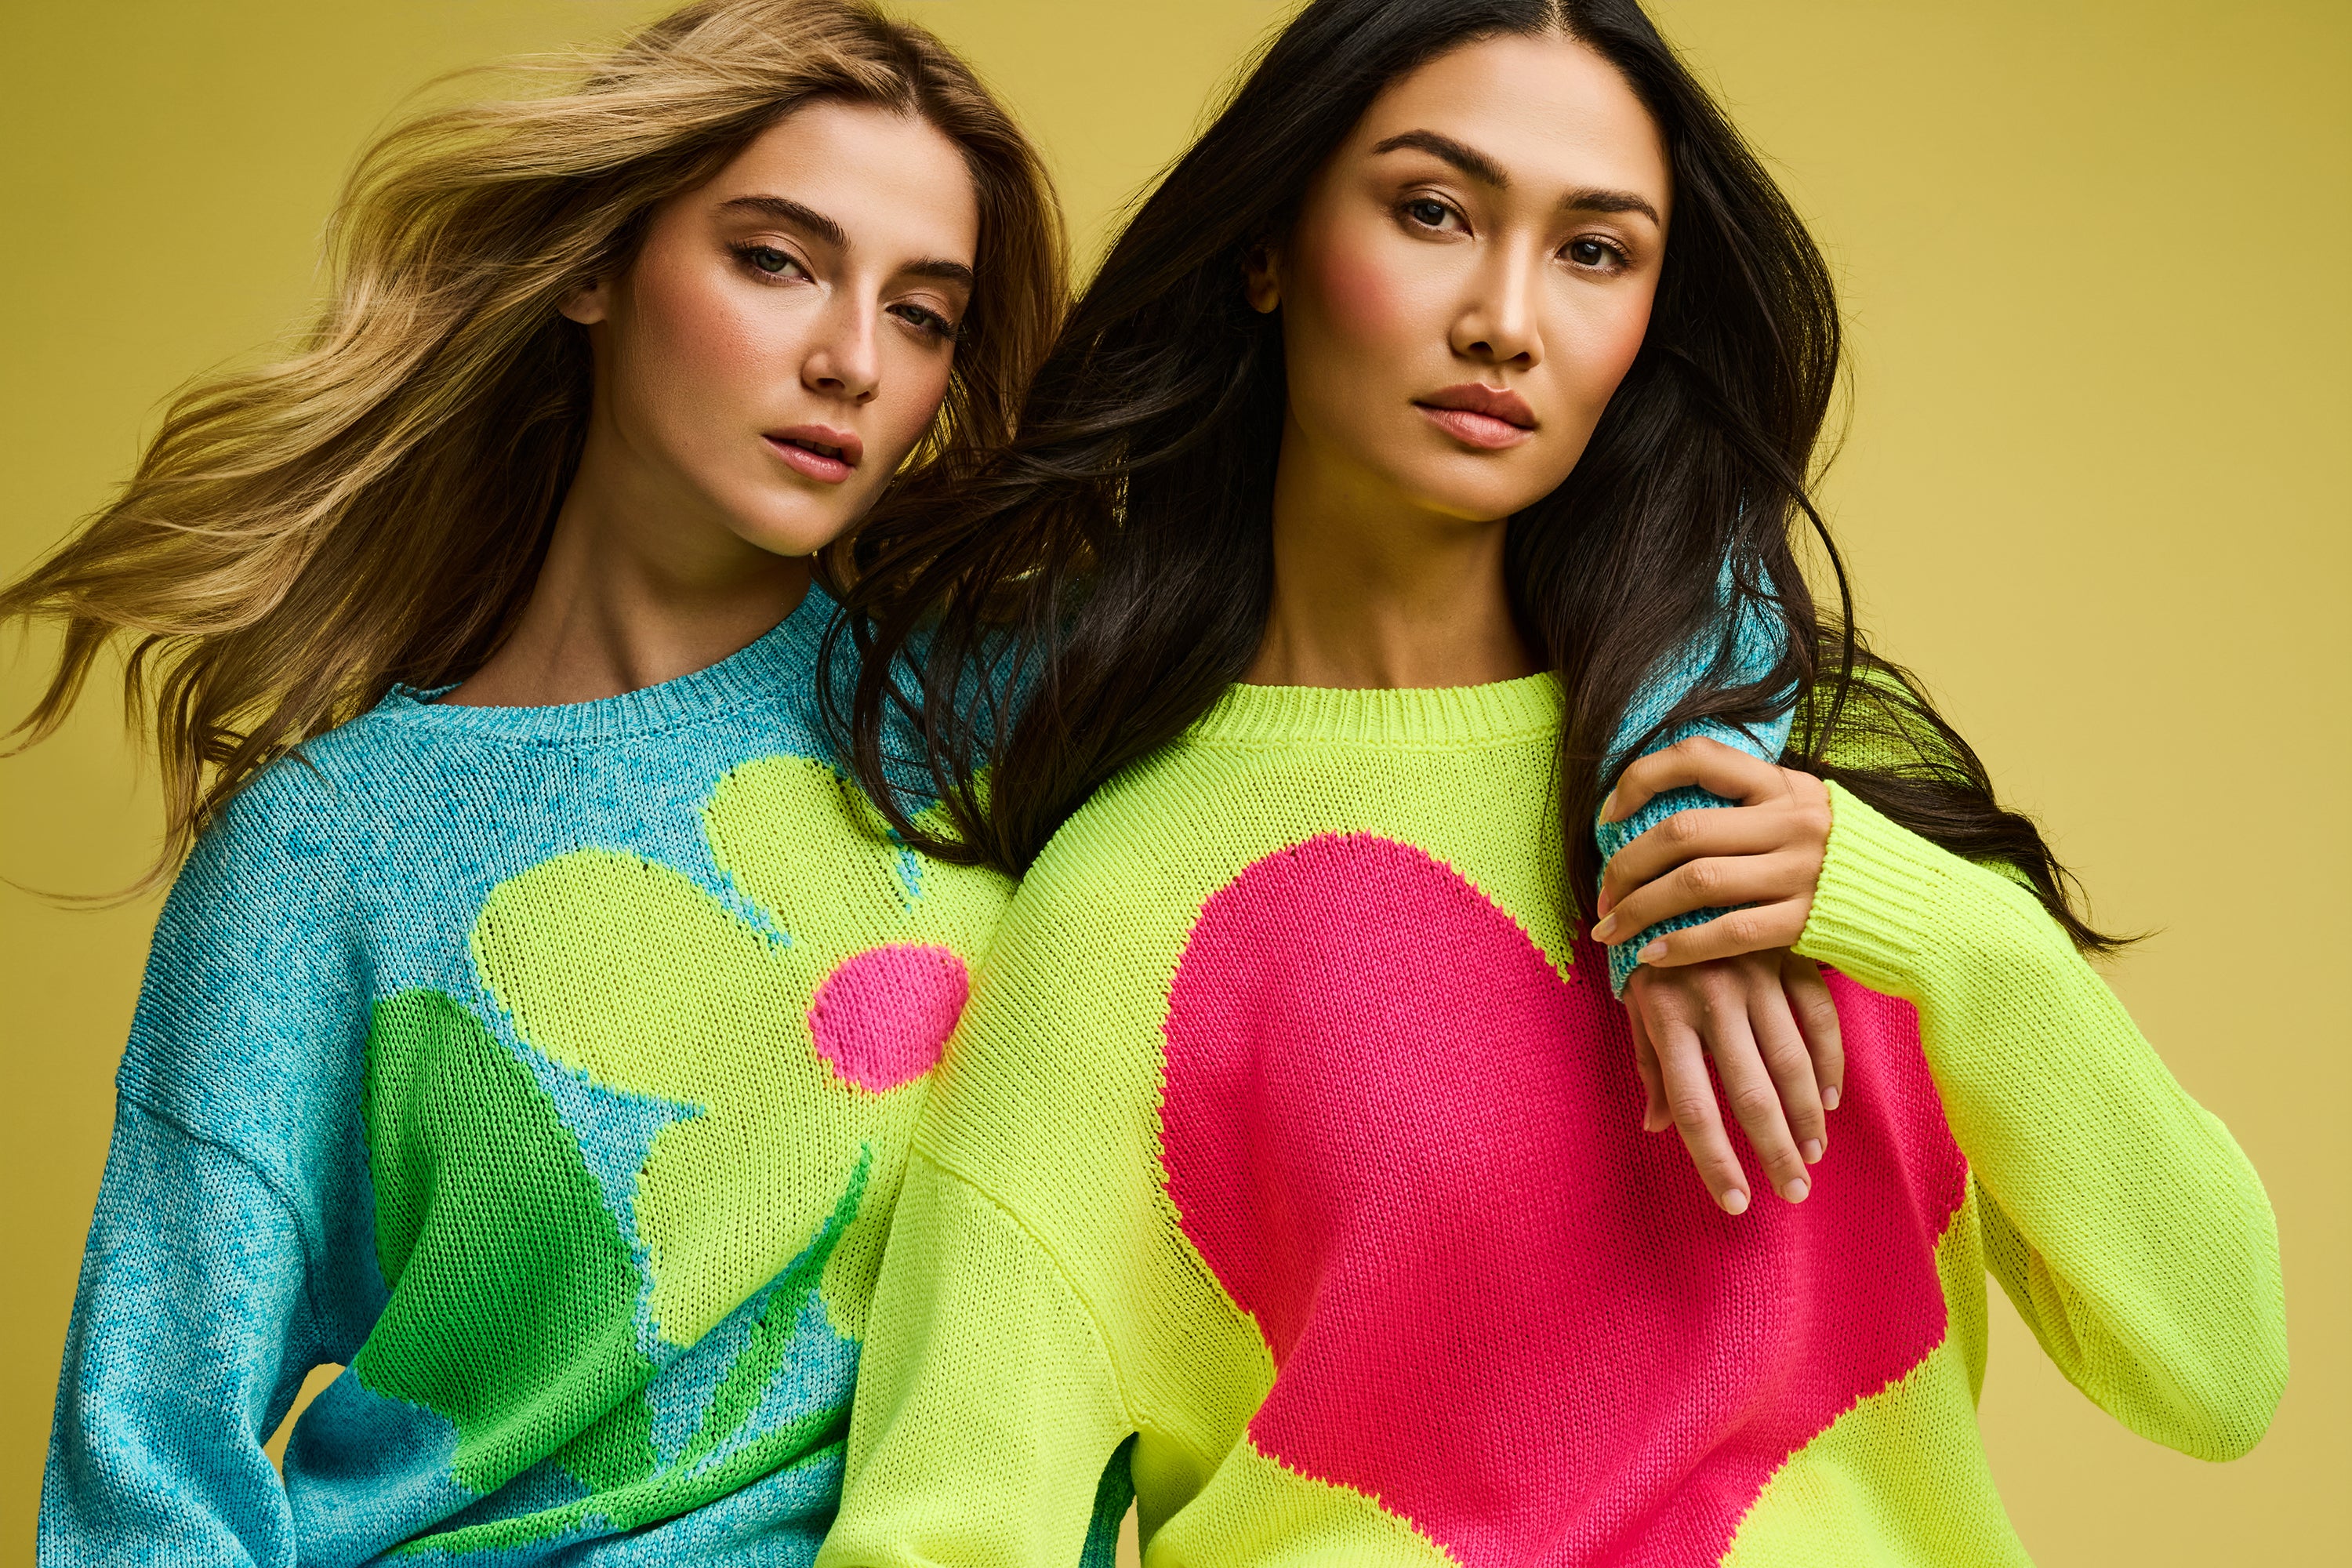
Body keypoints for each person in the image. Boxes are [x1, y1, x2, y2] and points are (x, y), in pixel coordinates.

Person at [813, 0, 2288, 1562]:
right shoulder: (1124, 904)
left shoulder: (1819, 778)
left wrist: (1913, 912)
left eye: (1595, 251)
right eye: (1434, 211)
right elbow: (948, 1523)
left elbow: (2220, 1368)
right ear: (1272, 246)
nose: (1506, 318)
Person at [8, 2, 1076, 1561]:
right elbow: (149, 1472)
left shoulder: (999, 718)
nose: (852, 359)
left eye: (923, 314)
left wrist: (1592, 770)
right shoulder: (323, 851)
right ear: (593, 265)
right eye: (777, 260)